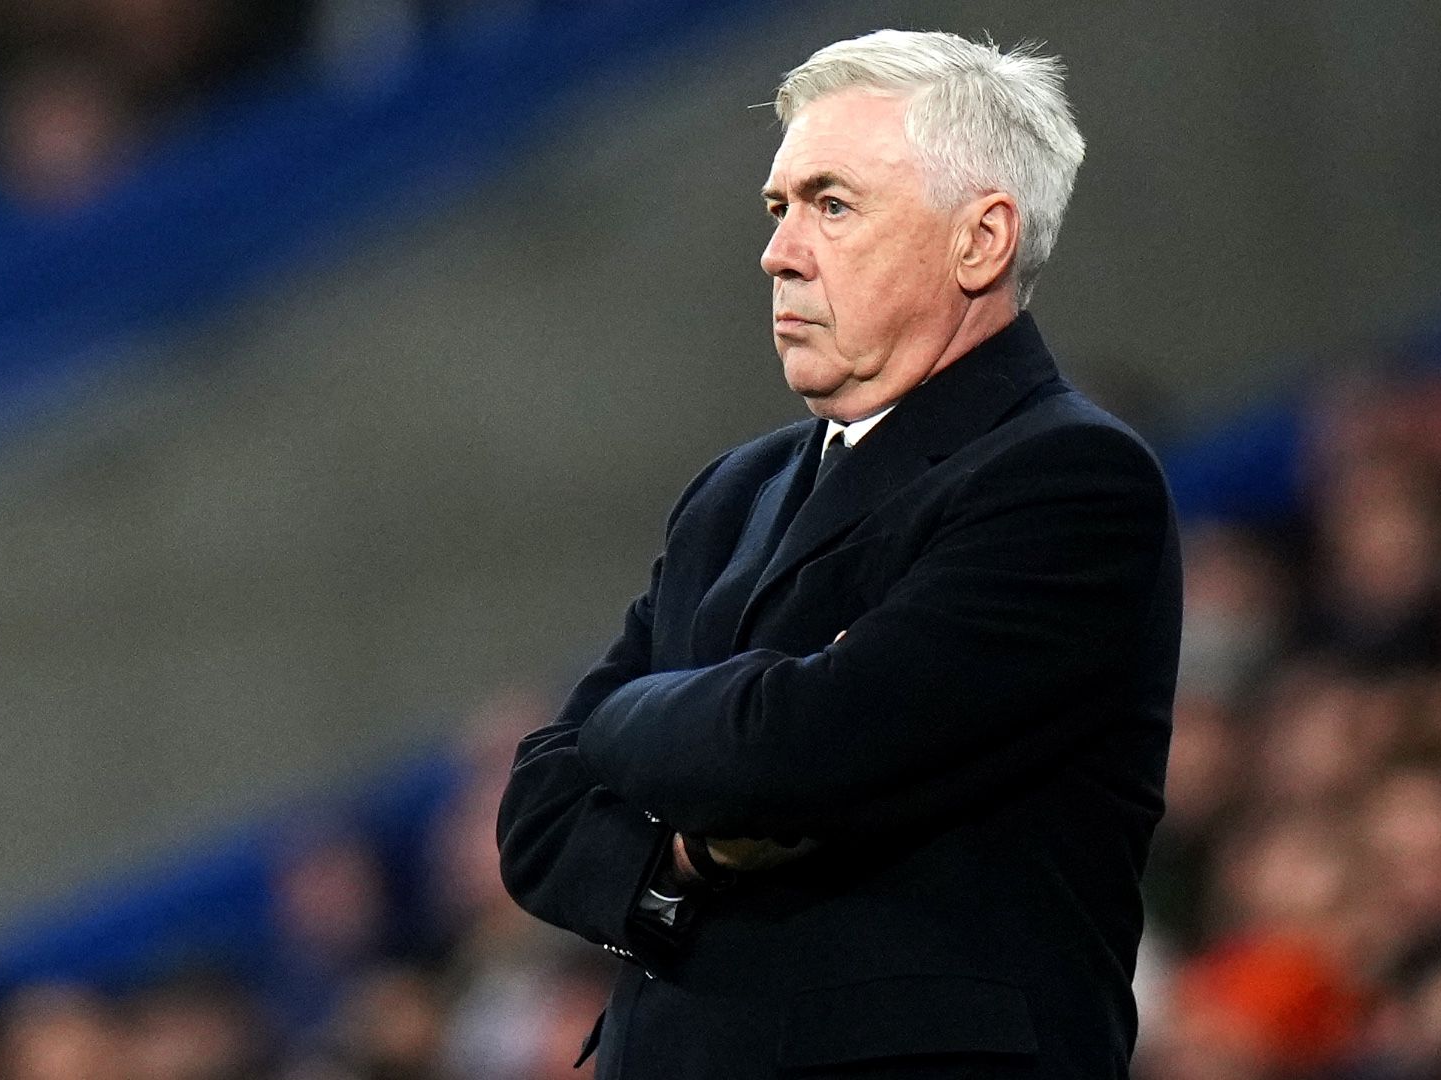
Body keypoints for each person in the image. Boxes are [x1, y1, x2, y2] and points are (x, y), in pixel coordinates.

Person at [497, 29, 1182, 1079]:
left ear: (980, 241)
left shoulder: (1070, 479)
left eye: (832, 204)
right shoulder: (733, 493)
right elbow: (538, 808)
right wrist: (686, 851)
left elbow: (789, 754)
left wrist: (638, 722)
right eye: (779, 208)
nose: (779, 252)